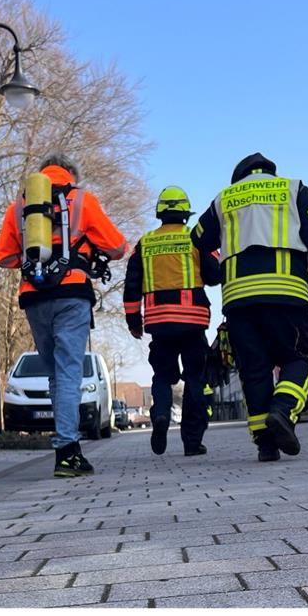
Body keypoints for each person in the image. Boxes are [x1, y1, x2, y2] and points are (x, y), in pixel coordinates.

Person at [191, 152, 308, 462]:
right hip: (285, 292)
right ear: (270, 171)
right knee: (299, 358)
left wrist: (215, 271)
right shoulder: (294, 189)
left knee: (254, 369)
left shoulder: (226, 198)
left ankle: (265, 444)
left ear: (239, 177)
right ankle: (283, 411)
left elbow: (197, 240)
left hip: (239, 300)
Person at [0, 153, 127, 477]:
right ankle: (67, 451)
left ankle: (66, 446)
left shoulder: (20, 207)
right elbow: (118, 246)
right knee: (69, 372)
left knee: (55, 373)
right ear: (71, 174)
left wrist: (34, 259)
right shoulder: (80, 199)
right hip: (71, 294)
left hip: (34, 297)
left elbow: (3, 256)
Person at [123, 186, 220, 456]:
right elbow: (214, 276)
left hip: (159, 324)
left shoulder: (145, 243)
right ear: (185, 214)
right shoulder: (197, 240)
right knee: (195, 379)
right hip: (193, 322)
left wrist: (134, 320)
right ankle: (192, 442)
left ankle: (162, 415)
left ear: (160, 214)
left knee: (163, 376)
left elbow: (131, 286)